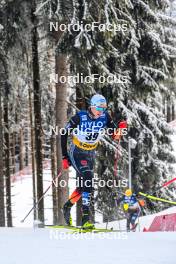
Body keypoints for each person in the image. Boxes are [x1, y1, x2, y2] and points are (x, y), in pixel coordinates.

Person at [61, 94, 127, 229]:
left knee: (83, 187)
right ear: (92, 106)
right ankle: (86, 219)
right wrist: (64, 157)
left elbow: (115, 136)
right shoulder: (80, 117)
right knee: (89, 179)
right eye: (99, 108)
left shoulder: (105, 117)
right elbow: (64, 133)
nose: (101, 112)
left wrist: (121, 128)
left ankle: (67, 207)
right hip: (77, 152)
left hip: (91, 153)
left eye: (104, 109)